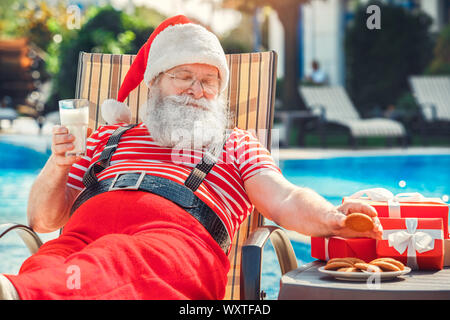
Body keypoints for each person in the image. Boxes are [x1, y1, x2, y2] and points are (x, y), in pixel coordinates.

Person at [0, 15, 382, 300]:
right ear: (155, 83)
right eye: (183, 76)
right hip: (81, 239)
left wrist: (331, 218)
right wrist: (59, 163)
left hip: (176, 245)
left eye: (209, 80)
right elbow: (43, 220)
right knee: (46, 262)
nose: (196, 90)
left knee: (121, 260)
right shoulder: (106, 136)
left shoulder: (236, 144)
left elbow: (285, 198)